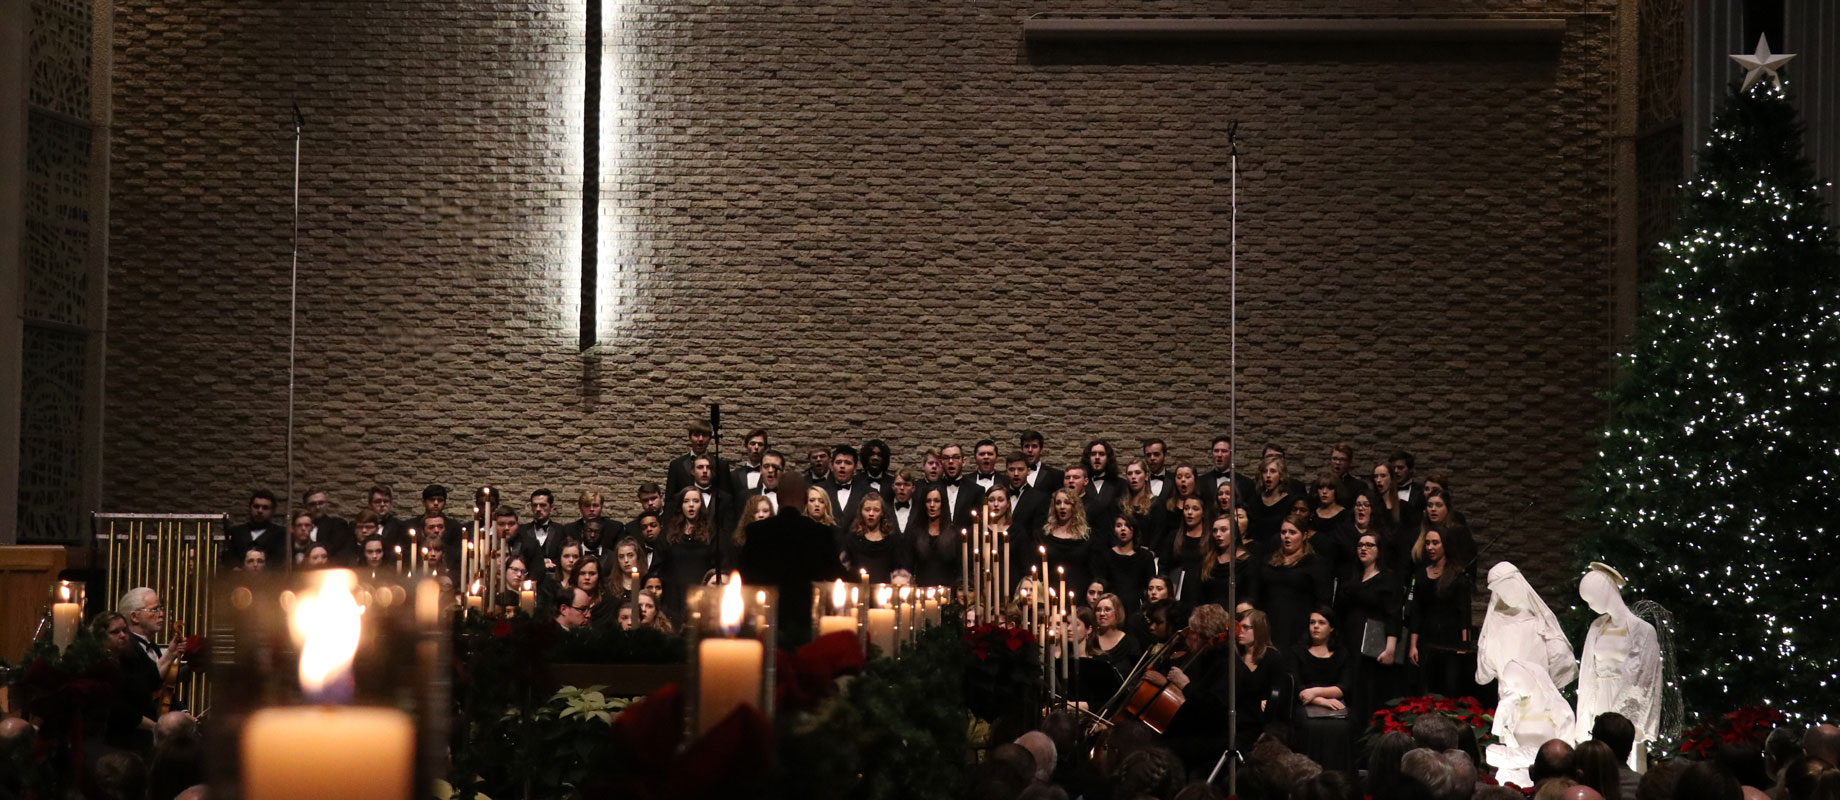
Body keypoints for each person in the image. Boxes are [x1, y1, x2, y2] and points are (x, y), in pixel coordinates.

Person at [737, 469, 849, 645]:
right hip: (805, 622)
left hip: (766, 621)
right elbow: (836, 575)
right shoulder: (820, 533)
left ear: (778, 498)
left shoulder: (756, 532)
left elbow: (744, 576)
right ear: (805, 500)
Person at [1337, 530, 1403, 731]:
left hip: (1373, 645)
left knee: (1367, 691)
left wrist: (1391, 647)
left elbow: (1393, 615)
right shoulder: (1351, 576)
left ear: (1379, 550)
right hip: (1349, 639)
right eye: (1360, 545)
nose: (1363, 548)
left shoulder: (1387, 579)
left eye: (1369, 545)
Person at [1409, 523, 1474, 697]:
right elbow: (1417, 611)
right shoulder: (1421, 575)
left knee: (1449, 687)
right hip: (1427, 638)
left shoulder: (1457, 575)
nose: (1430, 547)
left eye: (1435, 543)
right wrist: (1413, 645)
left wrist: (1465, 644)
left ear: (1445, 545)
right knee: (1426, 686)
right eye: (1428, 543)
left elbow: (1464, 613)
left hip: (1450, 640)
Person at [1291, 608, 1357, 771]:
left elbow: (1343, 687)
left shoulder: (1342, 654)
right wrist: (1321, 701)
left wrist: (1315, 692)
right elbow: (1298, 687)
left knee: (1345, 725)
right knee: (1308, 725)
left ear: (1331, 627)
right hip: (1305, 704)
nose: (1315, 626)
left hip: (1332, 701)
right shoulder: (1297, 652)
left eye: (1321, 623)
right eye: (1312, 622)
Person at [1255, 513, 1333, 647]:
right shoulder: (1269, 560)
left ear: (1304, 536)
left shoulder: (1315, 563)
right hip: (1270, 623)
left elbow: (1323, 600)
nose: (1286, 536)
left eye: (1292, 532)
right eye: (1283, 532)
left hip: (1299, 627)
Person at [650, 487, 719, 621]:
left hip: (702, 596)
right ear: (680, 505)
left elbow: (717, 567)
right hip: (673, 597)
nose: (691, 505)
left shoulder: (712, 533)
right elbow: (657, 567)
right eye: (686, 501)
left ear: (702, 505)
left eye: (695, 501)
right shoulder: (668, 534)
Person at [1040, 487, 1094, 603]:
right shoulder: (1044, 536)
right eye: (1058, 503)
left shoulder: (1086, 537)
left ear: (1074, 507)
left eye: (1067, 503)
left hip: (1078, 596)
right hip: (1050, 595)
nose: (1062, 507)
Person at [1095, 515, 1157, 615]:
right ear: (1114, 530)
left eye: (1127, 526)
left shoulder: (1145, 556)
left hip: (1137, 608)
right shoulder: (1106, 556)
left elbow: (1149, 584)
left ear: (1134, 529)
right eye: (1119, 526)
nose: (1123, 529)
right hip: (1112, 608)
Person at [1197, 513, 1257, 614]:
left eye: (1223, 530)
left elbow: (1252, 595)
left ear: (1234, 534)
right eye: (1215, 531)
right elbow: (1199, 596)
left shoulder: (1248, 562)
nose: (1218, 534)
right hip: (1210, 619)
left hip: (1237, 619)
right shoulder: (1207, 561)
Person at [843, 493, 907, 583]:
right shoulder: (853, 538)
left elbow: (898, 568)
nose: (871, 514)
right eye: (867, 510)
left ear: (882, 513)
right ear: (861, 511)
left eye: (876, 510)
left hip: (884, 592)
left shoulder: (892, 539)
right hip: (858, 592)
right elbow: (846, 567)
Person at [908, 485, 960, 587]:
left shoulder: (954, 534)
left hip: (948, 592)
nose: (932, 505)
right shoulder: (915, 533)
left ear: (943, 504)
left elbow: (959, 567)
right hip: (922, 592)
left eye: (936, 501)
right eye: (928, 501)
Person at [665, 419, 729, 502]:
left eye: (705, 435)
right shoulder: (677, 465)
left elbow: (727, 499)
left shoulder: (721, 465)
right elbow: (670, 499)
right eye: (696, 435)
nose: (701, 439)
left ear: (710, 438)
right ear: (690, 437)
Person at [1248, 455, 1305, 547]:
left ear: (1281, 475)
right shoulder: (1255, 500)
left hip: (1280, 549)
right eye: (1264, 471)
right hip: (1256, 550)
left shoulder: (1289, 501)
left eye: (1273, 471)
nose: (1268, 475)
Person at [222, 490, 286, 569]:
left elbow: (279, 563)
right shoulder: (236, 532)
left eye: (265, 508)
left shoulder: (281, 534)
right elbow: (229, 560)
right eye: (256, 506)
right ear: (250, 507)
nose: (260, 511)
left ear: (273, 511)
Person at [1085, 593, 1144, 677]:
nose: (1102, 614)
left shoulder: (1131, 643)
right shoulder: (1089, 639)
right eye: (1098, 610)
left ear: (1117, 613)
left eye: (1107, 609)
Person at [1164, 496, 1208, 604]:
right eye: (1186, 508)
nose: (1189, 512)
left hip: (1203, 592)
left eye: (1195, 509)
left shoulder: (1210, 538)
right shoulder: (1174, 536)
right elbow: (1164, 566)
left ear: (1203, 513)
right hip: (1178, 595)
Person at [1119, 459, 1166, 551]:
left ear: (1146, 475)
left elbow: (1158, 534)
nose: (1133, 477)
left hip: (1147, 555)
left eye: (1137, 473)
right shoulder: (1122, 504)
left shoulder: (1156, 503)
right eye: (1130, 473)